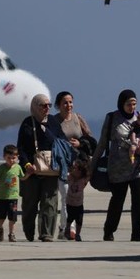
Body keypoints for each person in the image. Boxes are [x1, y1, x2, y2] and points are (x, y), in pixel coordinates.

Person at [92, 89, 140, 242]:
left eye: (134, 104)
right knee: (118, 200)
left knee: (139, 201)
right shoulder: (112, 118)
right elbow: (103, 142)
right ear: (121, 104)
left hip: (138, 167)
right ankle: (109, 230)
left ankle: (137, 233)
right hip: (118, 168)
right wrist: (93, 164)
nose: (132, 107)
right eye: (128, 104)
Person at [17, 94, 65, 242]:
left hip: (50, 169)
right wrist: (26, 165)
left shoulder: (53, 122)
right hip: (31, 170)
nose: (47, 108)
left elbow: (60, 141)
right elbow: (21, 147)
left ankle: (47, 234)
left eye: (49, 105)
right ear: (35, 106)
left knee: (50, 203)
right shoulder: (27, 123)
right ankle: (29, 231)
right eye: (43, 105)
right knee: (30, 204)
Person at [53, 91, 94, 239]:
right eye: (65, 102)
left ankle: (67, 227)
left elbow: (91, 140)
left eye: (70, 102)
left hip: (78, 167)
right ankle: (66, 228)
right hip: (62, 165)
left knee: (75, 198)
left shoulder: (78, 119)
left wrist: (80, 143)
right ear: (58, 105)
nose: (68, 105)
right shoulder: (54, 121)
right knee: (65, 197)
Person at [0, 144, 31, 242]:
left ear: (17, 157)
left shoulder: (17, 167)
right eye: (8, 158)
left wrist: (28, 174)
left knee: (12, 217)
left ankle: (11, 234)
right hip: (2, 197)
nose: (11, 160)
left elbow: (22, 178)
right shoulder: (2, 168)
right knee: (1, 216)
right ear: (4, 157)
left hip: (13, 198)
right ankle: (0, 228)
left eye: (13, 158)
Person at [65, 155, 90, 242]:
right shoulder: (70, 177)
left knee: (79, 219)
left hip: (79, 203)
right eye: (73, 168)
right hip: (70, 202)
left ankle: (78, 234)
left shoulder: (83, 180)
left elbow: (89, 175)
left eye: (77, 169)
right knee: (70, 218)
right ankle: (67, 230)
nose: (74, 170)